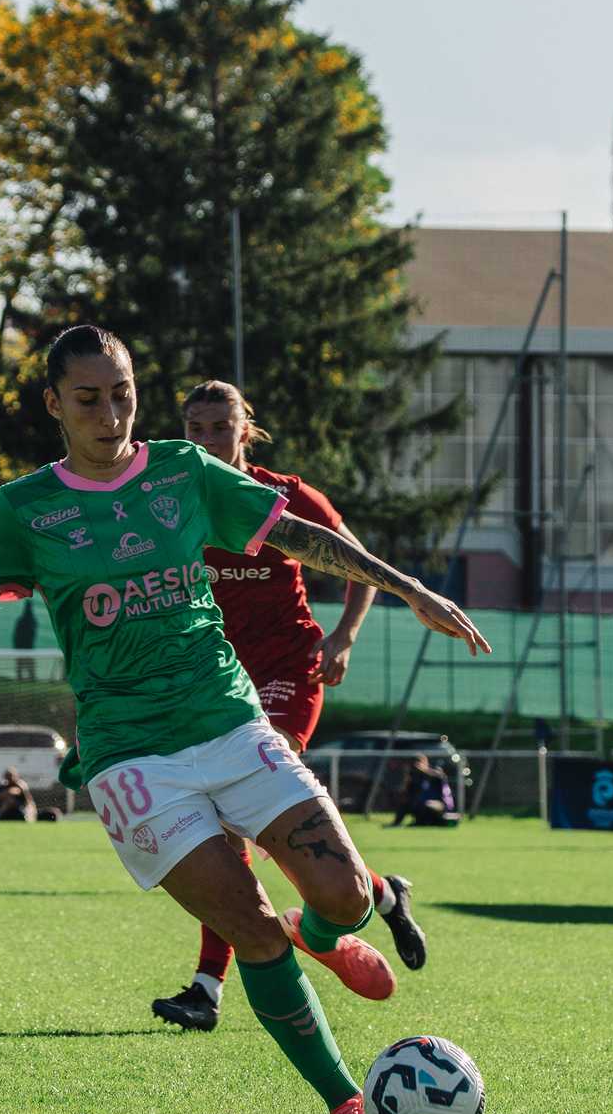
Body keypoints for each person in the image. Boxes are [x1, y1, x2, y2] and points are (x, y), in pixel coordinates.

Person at [0, 324, 489, 1114]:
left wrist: (409, 590)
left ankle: (318, 931)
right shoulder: (23, 510)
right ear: (54, 404)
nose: (111, 414)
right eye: (88, 399)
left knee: (349, 896)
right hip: (130, 758)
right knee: (251, 931)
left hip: (227, 719)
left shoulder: (184, 472)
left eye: (123, 394)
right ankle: (344, 1101)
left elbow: (303, 535)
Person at [152, 379, 427, 1034]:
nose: (208, 439)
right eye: (196, 427)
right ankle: (381, 892)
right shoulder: (179, 500)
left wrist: (346, 637)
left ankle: (207, 986)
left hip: (287, 674)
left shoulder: (286, 495)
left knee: (237, 816)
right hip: (218, 685)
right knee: (233, 823)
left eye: (220, 426)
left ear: (246, 429)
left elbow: (360, 563)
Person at [391, 752, 460, 829]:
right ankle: (395, 824)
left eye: (419, 762)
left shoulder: (434, 774)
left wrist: (426, 770)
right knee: (405, 804)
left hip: (439, 804)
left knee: (427, 804)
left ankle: (421, 823)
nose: (417, 766)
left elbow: (441, 776)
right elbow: (406, 792)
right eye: (414, 763)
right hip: (420, 803)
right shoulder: (415, 777)